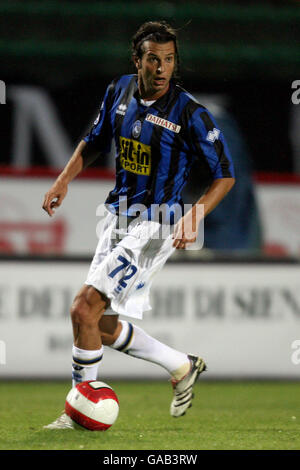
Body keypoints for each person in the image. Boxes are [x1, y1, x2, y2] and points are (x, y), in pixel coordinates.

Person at [42, 21, 235, 429]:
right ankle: (181, 365)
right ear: (138, 60)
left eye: (169, 60)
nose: (162, 68)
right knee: (96, 321)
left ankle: (77, 415)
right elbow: (94, 141)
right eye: (153, 59)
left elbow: (225, 174)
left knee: (83, 307)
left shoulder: (190, 113)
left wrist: (194, 214)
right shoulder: (120, 90)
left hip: (155, 224)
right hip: (116, 216)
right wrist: (63, 179)